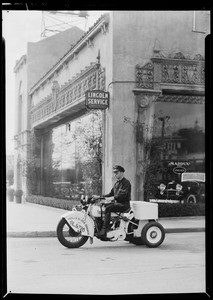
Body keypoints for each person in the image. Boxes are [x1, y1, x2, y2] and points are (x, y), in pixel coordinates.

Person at [99, 165, 131, 237]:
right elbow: (110, 194)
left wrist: (113, 198)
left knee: (108, 208)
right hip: (118, 204)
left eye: (116, 173)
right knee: (103, 207)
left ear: (122, 173)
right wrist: (100, 197)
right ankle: (103, 226)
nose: (115, 174)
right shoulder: (117, 183)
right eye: (114, 173)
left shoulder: (126, 183)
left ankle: (104, 230)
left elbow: (123, 196)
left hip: (124, 205)